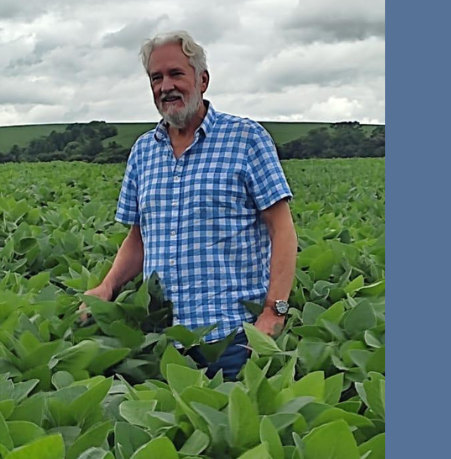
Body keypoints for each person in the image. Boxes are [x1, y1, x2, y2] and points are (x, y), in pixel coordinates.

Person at [81, 30, 298, 380]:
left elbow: (282, 230)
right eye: (156, 78)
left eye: (176, 74)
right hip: (162, 341)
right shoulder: (143, 152)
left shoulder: (246, 138)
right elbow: (139, 238)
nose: (166, 86)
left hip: (234, 339)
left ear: (202, 80)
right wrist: (106, 287)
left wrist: (275, 311)